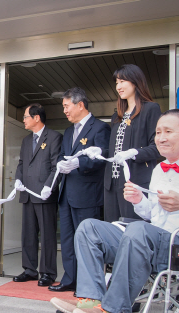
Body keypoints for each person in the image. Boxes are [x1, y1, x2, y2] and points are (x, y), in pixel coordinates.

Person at [50, 109, 179, 313]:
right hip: (156, 240)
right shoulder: (159, 169)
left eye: (168, 132)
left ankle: (113, 309)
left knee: (139, 230)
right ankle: (91, 301)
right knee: (89, 228)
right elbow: (154, 216)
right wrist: (139, 201)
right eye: (157, 132)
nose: (161, 138)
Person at [49, 88, 110, 293]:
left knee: (86, 242)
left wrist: (78, 164)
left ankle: (87, 284)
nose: (65, 111)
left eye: (67, 106)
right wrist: (61, 164)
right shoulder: (68, 132)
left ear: (80, 105)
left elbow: (102, 158)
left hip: (87, 194)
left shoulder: (100, 128)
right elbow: (63, 155)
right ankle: (69, 279)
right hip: (67, 193)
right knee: (66, 239)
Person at [104, 64, 161, 222]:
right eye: (116, 82)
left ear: (135, 81)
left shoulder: (150, 109)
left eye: (122, 81)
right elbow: (114, 150)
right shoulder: (117, 116)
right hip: (112, 183)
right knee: (112, 231)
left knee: (132, 230)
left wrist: (135, 153)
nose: (118, 87)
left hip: (133, 183)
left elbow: (158, 148)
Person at [13, 103, 62, 287]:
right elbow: (21, 163)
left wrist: (49, 186)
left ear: (36, 118)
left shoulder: (55, 137)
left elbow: (56, 165)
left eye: (26, 116)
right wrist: (18, 179)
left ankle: (48, 273)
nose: (23, 120)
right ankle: (29, 270)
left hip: (44, 195)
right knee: (28, 234)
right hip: (27, 193)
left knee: (48, 235)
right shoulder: (26, 141)